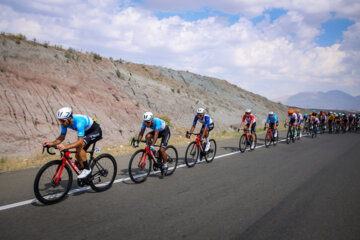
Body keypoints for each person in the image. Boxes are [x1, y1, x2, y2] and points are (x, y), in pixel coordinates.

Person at [42, 107, 102, 179]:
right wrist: (51, 144)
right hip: (85, 131)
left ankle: (87, 169)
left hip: (95, 131)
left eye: (62, 120)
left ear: (70, 118)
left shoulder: (79, 122)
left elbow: (80, 142)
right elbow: (62, 137)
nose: (61, 123)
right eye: (59, 120)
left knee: (79, 146)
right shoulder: (64, 123)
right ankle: (87, 176)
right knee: (77, 155)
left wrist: (65, 147)